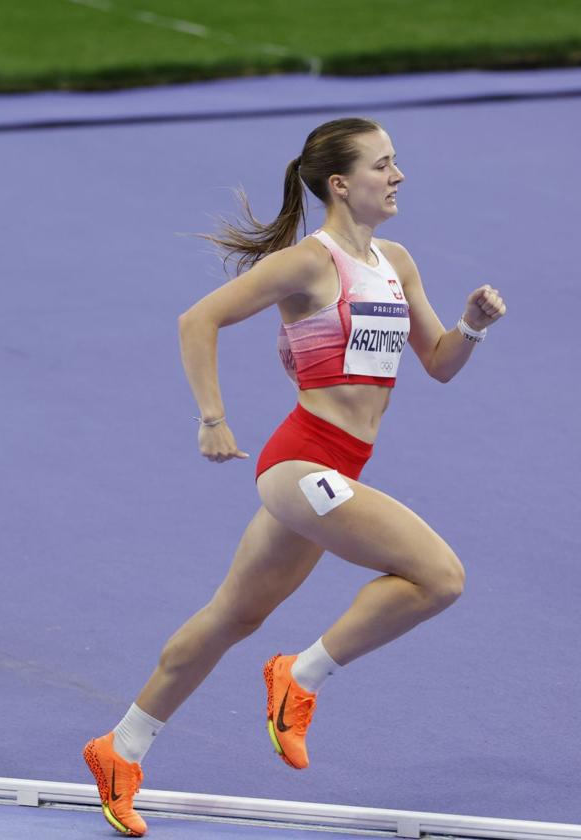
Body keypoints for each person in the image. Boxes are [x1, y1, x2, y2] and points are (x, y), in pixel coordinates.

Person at [82, 117, 506, 837]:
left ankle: (119, 747)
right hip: (301, 463)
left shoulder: (397, 261)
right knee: (440, 577)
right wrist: (211, 416)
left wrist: (469, 325)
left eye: (396, 163)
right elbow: (198, 320)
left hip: (339, 467)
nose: (398, 175)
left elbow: (436, 362)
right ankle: (299, 676)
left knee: (233, 616)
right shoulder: (309, 263)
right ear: (340, 184)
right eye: (384, 164)